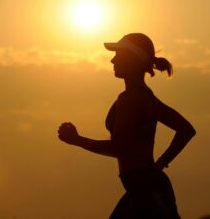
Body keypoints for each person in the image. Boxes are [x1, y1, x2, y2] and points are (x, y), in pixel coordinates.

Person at [57, 33, 196, 219]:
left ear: (133, 59)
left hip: (146, 191)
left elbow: (119, 148)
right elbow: (186, 130)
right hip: (149, 188)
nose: (112, 60)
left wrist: (77, 140)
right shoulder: (146, 96)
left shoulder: (131, 98)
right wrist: (159, 165)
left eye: (118, 55)